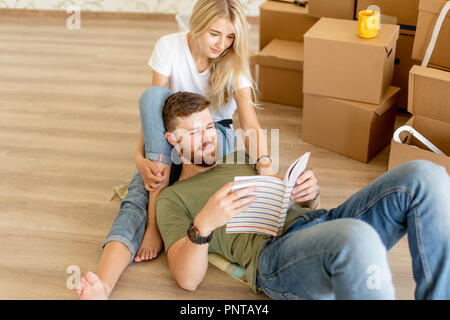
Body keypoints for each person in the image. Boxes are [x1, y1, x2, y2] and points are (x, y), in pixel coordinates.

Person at [156, 92, 449, 299]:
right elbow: (187, 280)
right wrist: (205, 223)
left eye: (209, 127)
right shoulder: (173, 198)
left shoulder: (243, 157)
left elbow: (290, 202)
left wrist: (308, 194)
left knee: (425, 176)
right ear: (173, 139)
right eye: (194, 133)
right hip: (275, 256)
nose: (208, 138)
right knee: (356, 237)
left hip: (322, 223)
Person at [76, 0, 276, 299]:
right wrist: (140, 159)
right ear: (196, 24)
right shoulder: (168, 46)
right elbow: (154, 112)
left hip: (214, 134)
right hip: (171, 138)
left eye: (231, 36)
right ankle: (102, 286)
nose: (222, 44)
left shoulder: (234, 62)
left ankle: (155, 216)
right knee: (137, 194)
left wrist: (267, 169)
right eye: (214, 34)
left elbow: (249, 121)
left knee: (153, 179)